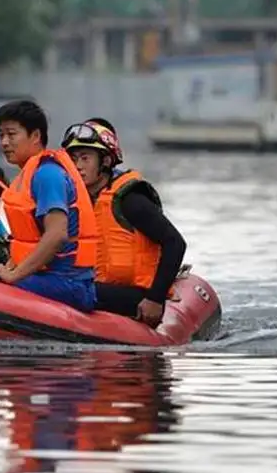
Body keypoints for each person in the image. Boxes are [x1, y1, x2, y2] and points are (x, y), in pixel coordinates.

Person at [61, 117, 186, 326]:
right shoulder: (78, 201)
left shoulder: (130, 200)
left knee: (70, 289)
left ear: (106, 162)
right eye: (73, 160)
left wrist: (155, 299)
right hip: (99, 287)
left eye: (85, 158)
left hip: (137, 295)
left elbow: (175, 243)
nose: (78, 166)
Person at [0, 100, 99, 313]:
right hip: (50, 278)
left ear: (36, 136)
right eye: (1, 135)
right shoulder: (29, 174)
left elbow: (57, 235)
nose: (4, 142)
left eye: (11, 134)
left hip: (69, 283)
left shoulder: (47, 174)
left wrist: (13, 276)